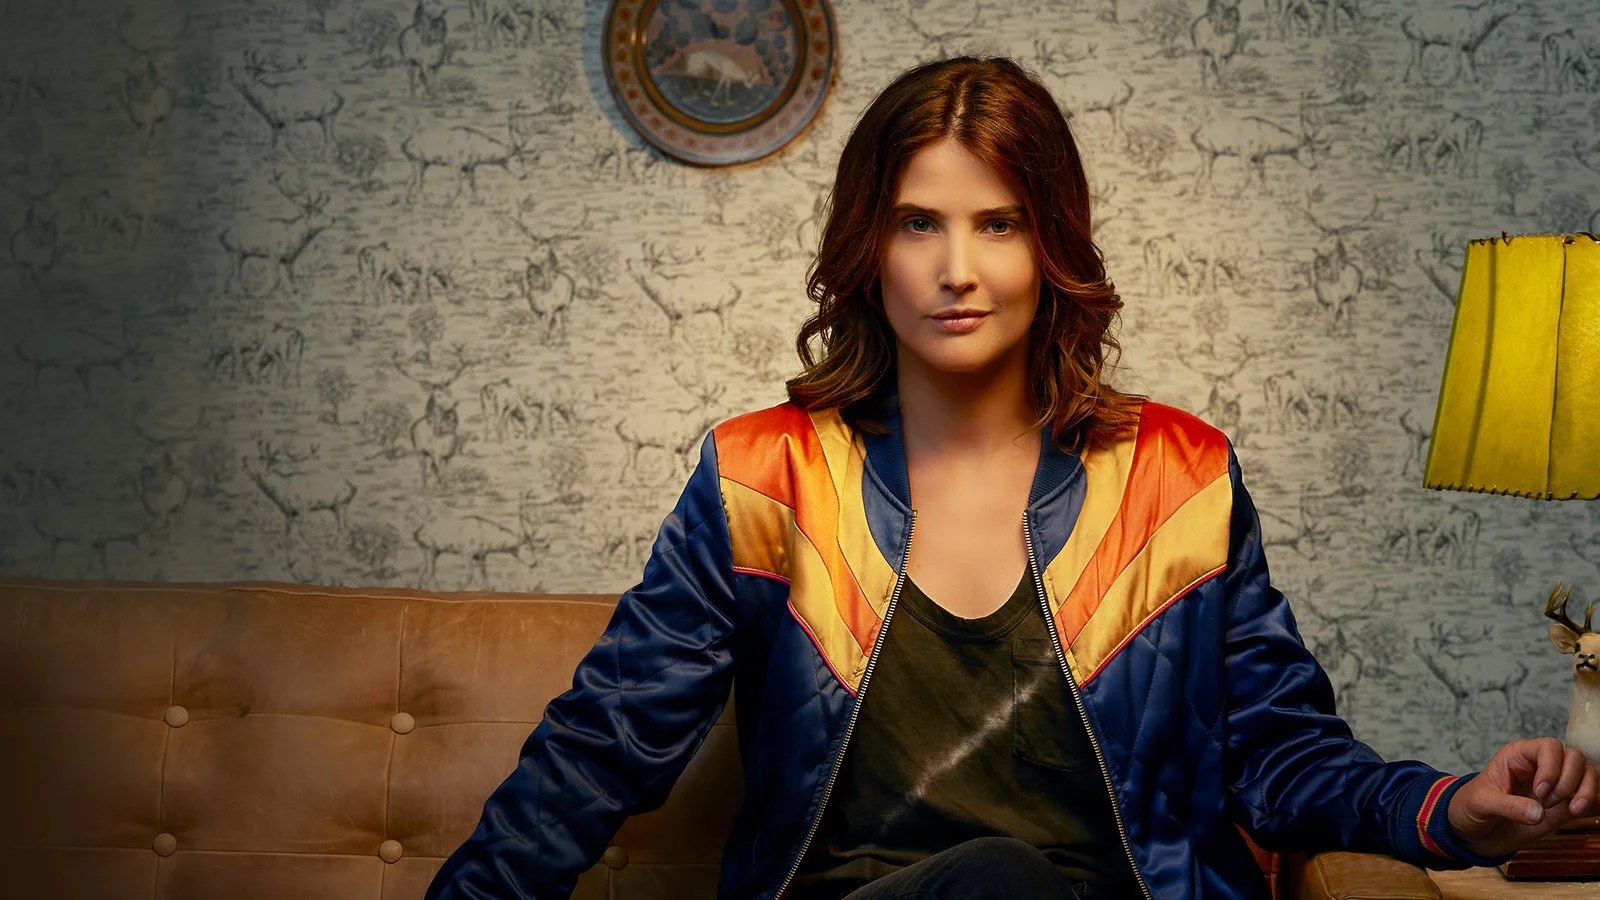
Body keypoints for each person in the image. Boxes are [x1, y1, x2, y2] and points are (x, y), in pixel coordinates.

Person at [424, 55, 1598, 900]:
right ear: (866, 248)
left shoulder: (1176, 475)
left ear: (1052, 246)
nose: (956, 269)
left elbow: (1279, 755)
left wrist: (1450, 808)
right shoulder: (762, 473)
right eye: (916, 224)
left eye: (997, 223)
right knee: (992, 880)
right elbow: (600, 747)